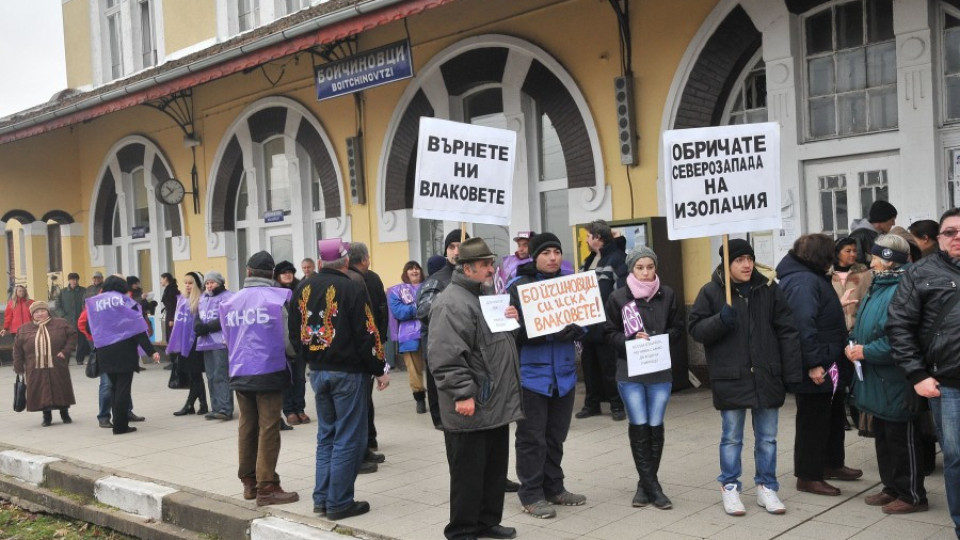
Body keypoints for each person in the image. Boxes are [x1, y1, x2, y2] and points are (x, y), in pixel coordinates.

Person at [689, 239, 801, 516]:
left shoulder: (768, 289)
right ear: (727, 265)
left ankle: (766, 486)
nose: (747, 264)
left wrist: (792, 372)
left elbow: (787, 329)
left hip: (766, 374)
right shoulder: (711, 292)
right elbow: (696, 330)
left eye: (749, 258)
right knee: (731, 438)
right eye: (739, 260)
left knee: (767, 438)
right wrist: (719, 320)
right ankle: (729, 487)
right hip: (731, 377)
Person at [289, 238, 389, 520]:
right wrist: (379, 367)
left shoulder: (303, 287)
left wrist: (309, 357)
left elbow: (294, 330)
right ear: (345, 261)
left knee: (327, 436)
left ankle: (321, 499)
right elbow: (367, 331)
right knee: (347, 437)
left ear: (320, 263)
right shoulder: (351, 287)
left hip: (318, 372)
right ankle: (339, 502)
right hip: (348, 373)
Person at [429, 237, 522, 540]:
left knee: (493, 471)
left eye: (491, 263)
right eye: (485, 264)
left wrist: (510, 322)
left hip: (492, 402)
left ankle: (486, 522)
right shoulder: (451, 302)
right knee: (468, 475)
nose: (491, 269)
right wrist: (462, 393)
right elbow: (446, 355)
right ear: (467, 268)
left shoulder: (483, 296)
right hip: (472, 403)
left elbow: (493, 345)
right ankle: (462, 530)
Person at [887, 208, 960, 538]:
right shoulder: (920, 273)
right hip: (947, 385)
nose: (957, 237)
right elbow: (899, 326)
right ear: (939, 238)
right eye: (950, 232)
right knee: (957, 459)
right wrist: (917, 375)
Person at [845, 234, 928, 514]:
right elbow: (865, 325)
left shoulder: (900, 289)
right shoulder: (877, 285)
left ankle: (912, 494)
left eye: (877, 256)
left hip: (894, 378)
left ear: (888, 261)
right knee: (883, 437)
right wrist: (854, 343)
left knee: (901, 439)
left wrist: (866, 351)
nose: (871, 261)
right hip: (876, 377)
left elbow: (898, 339)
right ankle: (891, 487)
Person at [507, 232, 586, 519]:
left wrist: (580, 330)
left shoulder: (570, 285)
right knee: (532, 439)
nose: (553, 257)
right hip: (532, 377)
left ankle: (555, 487)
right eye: (546, 252)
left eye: (557, 251)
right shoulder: (518, 287)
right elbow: (511, 331)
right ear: (535, 256)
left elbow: (586, 318)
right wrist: (544, 333)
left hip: (563, 375)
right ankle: (530, 494)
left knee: (555, 436)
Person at [776, 234, 862, 497]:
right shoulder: (803, 280)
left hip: (829, 360)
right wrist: (813, 364)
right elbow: (802, 325)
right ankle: (809, 475)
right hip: (817, 365)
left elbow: (815, 314)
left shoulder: (809, 277)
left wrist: (835, 306)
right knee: (813, 420)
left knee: (832, 415)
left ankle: (831, 464)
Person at [604, 245, 683, 509]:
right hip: (630, 372)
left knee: (654, 425)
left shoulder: (668, 295)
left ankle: (644, 485)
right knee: (639, 425)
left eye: (650, 267)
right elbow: (608, 333)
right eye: (640, 267)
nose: (646, 272)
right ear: (631, 268)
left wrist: (661, 339)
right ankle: (653, 487)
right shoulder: (618, 298)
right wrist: (629, 340)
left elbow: (678, 328)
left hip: (659, 370)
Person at [219, 251, 299, 507]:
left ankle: (249, 482)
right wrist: (295, 356)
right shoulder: (276, 300)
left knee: (247, 425)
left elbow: (226, 338)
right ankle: (267, 487)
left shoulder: (230, 302)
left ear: (248, 271)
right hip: (269, 370)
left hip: (239, 369)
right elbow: (287, 340)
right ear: (272, 274)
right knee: (269, 427)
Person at [85, 276, 161, 435]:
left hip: (104, 350)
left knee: (113, 388)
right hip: (124, 351)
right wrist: (151, 351)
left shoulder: (94, 302)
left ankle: (117, 422)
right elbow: (138, 328)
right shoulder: (125, 301)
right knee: (123, 389)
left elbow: (88, 325)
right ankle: (121, 426)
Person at [575, 220, 627, 422]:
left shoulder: (616, 259)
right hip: (587, 326)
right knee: (589, 368)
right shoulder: (588, 261)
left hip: (606, 325)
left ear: (597, 238)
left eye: (589, 236)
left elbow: (621, 291)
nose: (586, 240)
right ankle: (592, 404)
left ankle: (616, 405)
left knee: (609, 368)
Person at [418, 230, 468, 431]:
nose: (457, 251)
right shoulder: (436, 280)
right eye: (452, 246)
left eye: (461, 246)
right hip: (444, 353)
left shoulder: (482, 279)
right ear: (445, 251)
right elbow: (423, 312)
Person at [346, 242, 389, 465]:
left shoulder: (367, 278)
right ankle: (363, 446)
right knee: (361, 400)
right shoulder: (357, 280)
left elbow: (380, 308)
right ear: (364, 259)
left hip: (356, 350)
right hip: (365, 348)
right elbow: (374, 316)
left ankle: (366, 442)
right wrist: (379, 345)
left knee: (362, 400)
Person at [13, 301, 77, 427]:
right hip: (35, 367)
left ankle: (65, 413)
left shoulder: (61, 323)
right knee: (41, 391)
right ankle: (46, 416)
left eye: (42, 311)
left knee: (61, 388)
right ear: (32, 314)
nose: (40, 314)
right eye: (36, 312)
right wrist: (18, 366)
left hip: (57, 364)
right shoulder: (24, 329)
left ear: (48, 311)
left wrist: (65, 352)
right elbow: (17, 349)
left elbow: (72, 336)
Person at [388, 261, 427, 414]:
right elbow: (399, 312)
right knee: (413, 369)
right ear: (406, 272)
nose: (414, 271)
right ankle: (419, 398)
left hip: (430, 331)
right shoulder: (397, 291)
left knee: (435, 367)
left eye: (417, 268)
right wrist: (418, 306)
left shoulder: (429, 286)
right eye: (411, 269)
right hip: (408, 334)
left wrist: (412, 308)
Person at [168, 272, 209, 416]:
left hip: (195, 343)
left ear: (197, 284)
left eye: (190, 283)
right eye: (185, 282)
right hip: (184, 343)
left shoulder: (202, 300)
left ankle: (190, 405)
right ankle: (201, 404)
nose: (187, 285)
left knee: (195, 374)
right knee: (193, 375)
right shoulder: (182, 300)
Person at [195, 271, 234, 420]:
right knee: (210, 376)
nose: (209, 285)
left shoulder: (227, 297)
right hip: (206, 342)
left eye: (212, 282)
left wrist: (209, 327)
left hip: (220, 341)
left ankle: (225, 408)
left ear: (220, 282)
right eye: (207, 283)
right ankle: (216, 407)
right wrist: (197, 324)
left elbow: (226, 317)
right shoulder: (203, 298)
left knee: (220, 375)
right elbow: (197, 314)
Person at [275, 260, 309, 428]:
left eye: (290, 272)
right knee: (287, 379)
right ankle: (289, 411)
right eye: (284, 272)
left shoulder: (300, 289)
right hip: (281, 343)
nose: (287, 275)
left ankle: (300, 408)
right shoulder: (274, 294)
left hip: (300, 340)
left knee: (300, 378)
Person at [830, 237, 872, 333]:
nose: (853, 254)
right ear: (837, 253)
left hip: (858, 328)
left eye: (854, 251)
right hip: (834, 329)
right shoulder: (828, 275)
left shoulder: (863, 273)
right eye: (848, 251)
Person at [849, 200, 898, 264]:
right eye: (892, 220)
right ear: (882, 218)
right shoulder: (858, 236)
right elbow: (856, 265)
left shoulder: (881, 235)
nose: (894, 223)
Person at [59, 273, 87, 365]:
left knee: (81, 341)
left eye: (76, 279)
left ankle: (80, 359)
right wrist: (63, 315)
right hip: (68, 320)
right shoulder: (63, 292)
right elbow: (57, 305)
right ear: (69, 280)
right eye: (72, 279)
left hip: (81, 319)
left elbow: (87, 303)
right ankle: (65, 358)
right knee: (67, 341)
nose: (74, 281)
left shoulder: (83, 291)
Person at [160, 273, 180, 344]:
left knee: (171, 336)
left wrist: (172, 318)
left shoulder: (171, 289)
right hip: (170, 314)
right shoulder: (169, 288)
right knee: (169, 336)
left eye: (161, 279)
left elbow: (173, 305)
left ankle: (173, 353)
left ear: (165, 278)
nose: (160, 281)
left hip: (172, 315)